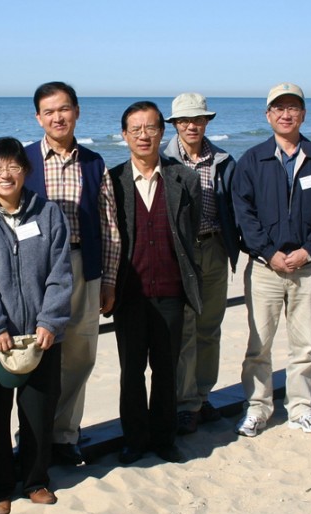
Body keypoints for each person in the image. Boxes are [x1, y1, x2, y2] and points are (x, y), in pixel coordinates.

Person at [0, 137, 73, 514]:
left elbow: (60, 272)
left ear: (26, 170)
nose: (5, 174)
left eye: (13, 166)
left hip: (42, 334)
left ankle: (36, 480)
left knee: (39, 410)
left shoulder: (48, 212)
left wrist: (50, 321)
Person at [231, 83, 311, 437]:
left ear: (303, 113)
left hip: (307, 269)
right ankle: (257, 408)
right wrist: (268, 252)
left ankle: (301, 408)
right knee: (258, 344)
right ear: (267, 115)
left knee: (304, 346)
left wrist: (308, 251)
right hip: (265, 270)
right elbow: (243, 215)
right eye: (278, 108)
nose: (285, 114)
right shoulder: (252, 160)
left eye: (292, 107)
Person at [23, 82, 122, 466]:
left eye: (64, 109)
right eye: (48, 112)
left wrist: (109, 279)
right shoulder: (25, 160)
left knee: (79, 355)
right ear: (38, 118)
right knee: (37, 353)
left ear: (77, 111)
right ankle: (32, 437)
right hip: (37, 270)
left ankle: (64, 436)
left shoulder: (95, 163)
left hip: (84, 266)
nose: (57, 117)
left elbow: (109, 226)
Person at [108, 101, 202, 465]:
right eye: (136, 129)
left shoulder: (184, 179)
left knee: (166, 370)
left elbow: (188, 233)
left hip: (171, 291)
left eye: (150, 128)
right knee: (131, 371)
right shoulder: (113, 181)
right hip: (129, 294)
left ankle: (164, 438)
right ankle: (133, 438)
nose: (143, 135)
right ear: (124, 136)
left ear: (163, 132)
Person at [164, 93, 241, 434]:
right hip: (180, 255)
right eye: (184, 120)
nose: (191, 125)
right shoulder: (162, 160)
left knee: (210, 329)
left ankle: (203, 395)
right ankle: (184, 403)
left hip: (214, 250)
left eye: (197, 119)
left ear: (207, 121)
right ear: (175, 124)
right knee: (185, 332)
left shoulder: (224, 161)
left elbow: (239, 207)